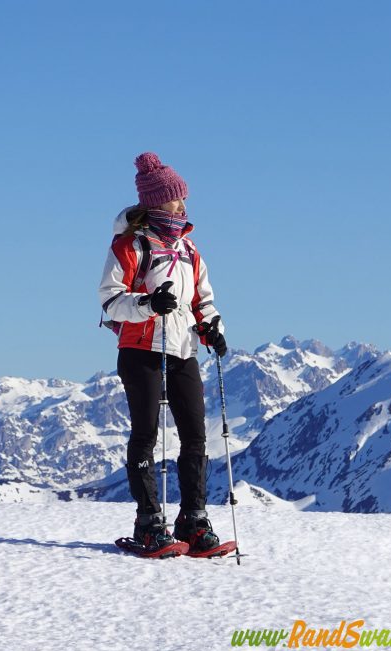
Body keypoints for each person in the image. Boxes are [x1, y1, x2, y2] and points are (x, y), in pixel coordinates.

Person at [97, 151, 228, 554]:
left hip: (183, 349)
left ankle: (193, 520)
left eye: (183, 197)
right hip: (141, 349)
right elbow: (110, 300)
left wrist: (212, 328)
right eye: (175, 198)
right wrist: (149, 304)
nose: (182, 205)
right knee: (146, 434)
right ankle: (149, 522)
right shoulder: (130, 245)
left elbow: (203, 301)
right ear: (156, 202)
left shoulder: (190, 251)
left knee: (195, 436)